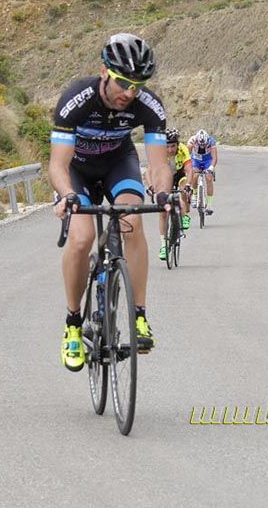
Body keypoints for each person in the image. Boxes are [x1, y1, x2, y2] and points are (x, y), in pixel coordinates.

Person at [49, 33, 174, 372]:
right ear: (104, 71)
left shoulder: (149, 105)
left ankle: (139, 316)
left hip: (119, 162)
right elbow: (58, 165)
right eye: (123, 83)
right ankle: (73, 324)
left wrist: (163, 194)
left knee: (133, 221)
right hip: (78, 171)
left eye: (138, 85)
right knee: (81, 237)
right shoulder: (76, 99)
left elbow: (160, 164)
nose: (129, 93)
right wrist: (68, 195)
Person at [144, 127, 192, 261]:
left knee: (183, 187)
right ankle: (163, 245)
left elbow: (189, 169)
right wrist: (150, 186)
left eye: (173, 146)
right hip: (165, 178)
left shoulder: (183, 149)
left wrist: (188, 184)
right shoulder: (158, 152)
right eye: (167, 147)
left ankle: (183, 215)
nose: (170, 149)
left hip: (179, 175)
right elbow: (148, 172)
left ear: (177, 144)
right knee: (163, 212)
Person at [187, 128, 218, 215]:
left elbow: (214, 157)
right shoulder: (192, 140)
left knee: (209, 178)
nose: (202, 146)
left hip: (207, 160)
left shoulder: (211, 141)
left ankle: (210, 205)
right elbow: (187, 156)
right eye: (200, 145)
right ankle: (195, 195)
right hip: (196, 160)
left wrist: (211, 168)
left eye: (204, 145)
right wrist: (189, 167)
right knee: (195, 175)